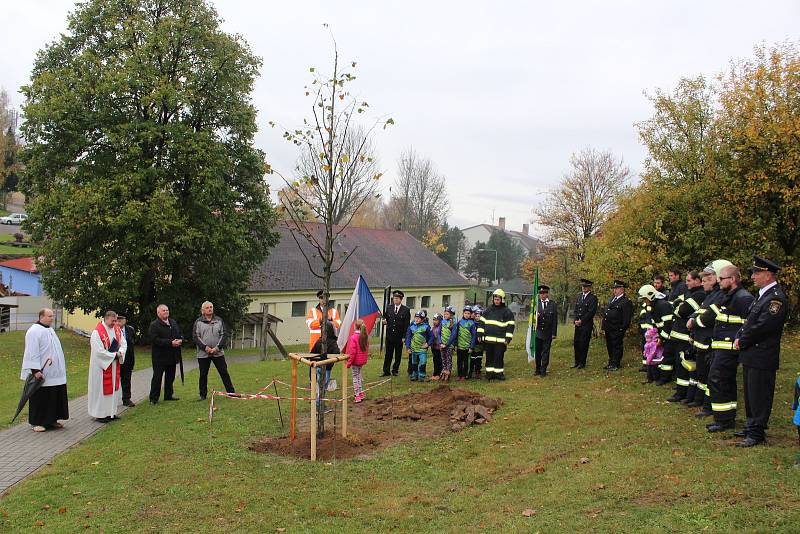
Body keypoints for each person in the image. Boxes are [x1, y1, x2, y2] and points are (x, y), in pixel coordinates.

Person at [733, 256, 789, 447]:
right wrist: (740, 336)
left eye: (756, 273)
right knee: (750, 393)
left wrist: (743, 340)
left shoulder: (776, 298)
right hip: (751, 353)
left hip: (763, 354)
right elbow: (749, 321)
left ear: (768, 274)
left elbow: (764, 326)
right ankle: (751, 426)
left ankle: (757, 432)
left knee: (760, 394)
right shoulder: (762, 295)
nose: (753, 276)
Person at [706, 265, 754, 433]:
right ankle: (726, 418)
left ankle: (723, 420)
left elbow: (748, 325)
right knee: (724, 381)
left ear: (732, 279)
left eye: (721, 279)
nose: (718, 282)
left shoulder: (743, 298)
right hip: (721, 347)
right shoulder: (728, 296)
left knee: (717, 379)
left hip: (730, 349)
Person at [687, 260, 732, 416]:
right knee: (703, 375)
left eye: (708, 278)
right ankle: (702, 402)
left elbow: (708, 318)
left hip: (711, 343)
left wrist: (693, 323)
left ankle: (708, 407)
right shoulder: (711, 295)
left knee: (709, 377)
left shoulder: (720, 296)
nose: (705, 282)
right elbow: (699, 312)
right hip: (702, 341)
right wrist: (693, 324)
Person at [20, 308, 69, 432]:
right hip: (42, 371)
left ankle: (52, 420)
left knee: (54, 396)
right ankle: (37, 422)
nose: (52, 318)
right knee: (41, 397)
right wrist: (35, 370)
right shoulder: (34, 331)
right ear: (41, 316)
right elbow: (32, 352)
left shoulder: (50, 330)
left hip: (55, 372)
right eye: (49, 316)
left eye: (52, 316)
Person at [666, 271, 706, 400]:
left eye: (689, 281)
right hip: (679, 335)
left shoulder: (699, 294)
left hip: (685, 336)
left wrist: (678, 308)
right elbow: (672, 305)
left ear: (697, 281)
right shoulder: (690, 293)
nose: (686, 283)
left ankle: (682, 393)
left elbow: (682, 311)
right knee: (680, 364)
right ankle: (682, 391)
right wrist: (677, 307)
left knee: (684, 365)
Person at [88, 311, 126, 422]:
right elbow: (98, 351)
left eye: (116, 321)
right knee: (101, 391)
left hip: (113, 365)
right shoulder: (97, 332)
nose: (114, 323)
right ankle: (100, 414)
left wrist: (120, 352)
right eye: (112, 321)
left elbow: (123, 343)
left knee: (113, 390)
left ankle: (111, 413)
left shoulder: (117, 330)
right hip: (101, 367)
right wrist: (114, 355)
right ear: (106, 319)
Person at [193, 301, 235, 401]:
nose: (210, 309)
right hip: (203, 354)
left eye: (211, 307)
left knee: (224, 372)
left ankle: (231, 393)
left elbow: (224, 335)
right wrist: (206, 348)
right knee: (203, 374)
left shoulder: (219, 320)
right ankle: (202, 395)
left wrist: (217, 348)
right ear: (203, 310)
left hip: (218, 353)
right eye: (207, 307)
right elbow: (195, 336)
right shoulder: (198, 322)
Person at [637, 284, 673, 385]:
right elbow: (655, 323)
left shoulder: (663, 305)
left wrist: (662, 338)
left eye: (645, 299)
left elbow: (668, 325)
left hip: (668, 335)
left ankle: (665, 378)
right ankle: (654, 377)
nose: (644, 301)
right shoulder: (653, 306)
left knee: (667, 357)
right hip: (659, 334)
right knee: (656, 357)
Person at [148, 304, 183, 404]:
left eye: (167, 310)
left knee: (170, 377)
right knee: (157, 378)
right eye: (163, 310)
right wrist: (170, 342)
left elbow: (179, 332)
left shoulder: (173, 322)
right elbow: (155, 340)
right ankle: (153, 398)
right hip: (160, 357)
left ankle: (168, 395)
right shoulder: (154, 325)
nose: (166, 312)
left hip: (172, 355)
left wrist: (180, 339)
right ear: (158, 313)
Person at [479, 289, 515, 381]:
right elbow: (481, 323)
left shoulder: (507, 312)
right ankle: (489, 374)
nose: (496, 301)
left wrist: (508, 338)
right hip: (488, 340)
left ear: (502, 300)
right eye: (495, 299)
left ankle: (499, 374)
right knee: (489, 357)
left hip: (500, 341)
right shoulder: (488, 310)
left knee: (499, 357)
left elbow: (510, 326)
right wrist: (479, 334)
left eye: (498, 299)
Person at [601, 280, 633, 371]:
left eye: (617, 288)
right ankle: (611, 361)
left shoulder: (626, 301)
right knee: (609, 345)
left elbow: (626, 318)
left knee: (616, 345)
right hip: (609, 327)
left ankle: (616, 363)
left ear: (622, 290)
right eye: (614, 288)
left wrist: (622, 328)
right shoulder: (612, 299)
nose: (614, 290)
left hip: (617, 328)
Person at [382, 290, 411, 377]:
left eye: (397, 298)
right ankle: (386, 371)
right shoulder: (389, 307)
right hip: (390, 336)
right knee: (388, 354)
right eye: (394, 298)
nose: (395, 300)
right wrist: (384, 320)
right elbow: (385, 317)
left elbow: (406, 325)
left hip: (399, 336)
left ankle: (395, 370)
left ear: (401, 299)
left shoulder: (405, 310)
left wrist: (404, 337)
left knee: (398, 354)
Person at [572, 279, 598, 369]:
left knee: (583, 343)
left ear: (589, 287)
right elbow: (575, 310)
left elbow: (591, 312)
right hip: (577, 325)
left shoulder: (593, 298)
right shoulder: (579, 297)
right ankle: (576, 361)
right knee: (576, 343)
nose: (584, 288)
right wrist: (575, 320)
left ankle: (582, 362)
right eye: (583, 286)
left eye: (585, 286)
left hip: (586, 325)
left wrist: (581, 320)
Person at [534, 285, 558, 376]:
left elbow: (554, 320)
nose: (542, 295)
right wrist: (536, 317)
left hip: (548, 332)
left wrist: (554, 333)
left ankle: (543, 370)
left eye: (544, 293)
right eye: (540, 293)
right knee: (538, 352)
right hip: (538, 332)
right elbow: (531, 318)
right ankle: (537, 369)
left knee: (546, 352)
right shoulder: (536, 304)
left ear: (547, 294)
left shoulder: (552, 304)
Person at [346, 319, 370, 402]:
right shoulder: (365, 336)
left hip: (355, 361)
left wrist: (349, 363)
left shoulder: (353, 337)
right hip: (361, 361)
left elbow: (352, 352)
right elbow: (366, 349)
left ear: (355, 327)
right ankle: (361, 393)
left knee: (355, 378)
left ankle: (357, 395)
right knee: (359, 376)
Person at [406, 310, 434, 381]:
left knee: (423, 362)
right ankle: (414, 375)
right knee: (414, 363)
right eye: (416, 318)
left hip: (422, 349)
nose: (417, 319)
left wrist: (428, 344)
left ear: (423, 319)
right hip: (414, 349)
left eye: (419, 318)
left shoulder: (426, 327)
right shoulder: (411, 327)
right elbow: (408, 337)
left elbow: (431, 336)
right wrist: (408, 347)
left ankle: (422, 376)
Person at [451, 306, 476, 381]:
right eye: (465, 313)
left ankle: (465, 375)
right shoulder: (459, 323)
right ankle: (459, 375)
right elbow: (456, 334)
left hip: (467, 347)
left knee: (466, 362)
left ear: (471, 314)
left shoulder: (472, 323)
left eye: (468, 313)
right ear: (463, 313)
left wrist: (471, 347)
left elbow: (474, 335)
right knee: (459, 361)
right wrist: (455, 345)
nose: (467, 315)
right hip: (459, 346)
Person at [117, 315, 136, 407]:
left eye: (122, 319)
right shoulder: (112, 330)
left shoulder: (130, 329)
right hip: (116, 358)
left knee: (126, 379)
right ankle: (111, 400)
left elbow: (131, 344)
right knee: (114, 380)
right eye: (118, 319)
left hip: (128, 358)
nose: (119, 321)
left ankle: (126, 398)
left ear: (125, 320)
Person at [438, 306, 456, 381]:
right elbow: (439, 333)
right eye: (445, 314)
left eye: (447, 314)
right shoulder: (442, 322)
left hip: (449, 345)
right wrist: (440, 342)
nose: (445, 316)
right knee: (443, 358)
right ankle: (444, 370)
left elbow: (453, 335)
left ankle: (448, 372)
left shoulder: (454, 323)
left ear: (451, 315)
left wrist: (447, 344)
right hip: (442, 344)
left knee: (448, 359)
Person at [469, 305, 485, 379]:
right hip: (473, 344)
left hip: (480, 345)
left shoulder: (483, 325)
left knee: (479, 359)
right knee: (472, 359)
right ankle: (471, 372)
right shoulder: (472, 324)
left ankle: (478, 372)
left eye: (479, 316)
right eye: (476, 316)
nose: (477, 317)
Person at [430, 313, 444, 380]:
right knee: (435, 360)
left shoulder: (442, 328)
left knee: (439, 361)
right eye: (434, 320)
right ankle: (435, 373)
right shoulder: (433, 328)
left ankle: (439, 374)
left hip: (439, 348)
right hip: (434, 347)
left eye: (436, 320)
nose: (434, 321)